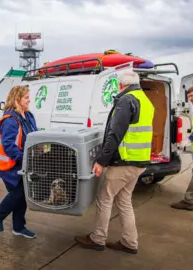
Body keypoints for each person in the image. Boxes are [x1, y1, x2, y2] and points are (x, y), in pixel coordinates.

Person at [74, 70, 155, 255]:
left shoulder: (126, 100)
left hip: (125, 161)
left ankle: (97, 238)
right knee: (124, 200)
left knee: (104, 198)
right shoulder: (144, 99)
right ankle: (129, 242)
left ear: (121, 85)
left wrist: (101, 160)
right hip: (139, 161)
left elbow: (115, 134)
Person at [0, 85, 38, 239]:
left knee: (23, 196)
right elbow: (9, 146)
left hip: (23, 163)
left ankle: (18, 227)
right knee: (18, 194)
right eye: (26, 97)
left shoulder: (28, 115)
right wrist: (24, 158)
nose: (29, 100)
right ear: (17, 100)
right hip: (10, 166)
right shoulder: (10, 120)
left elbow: (34, 135)